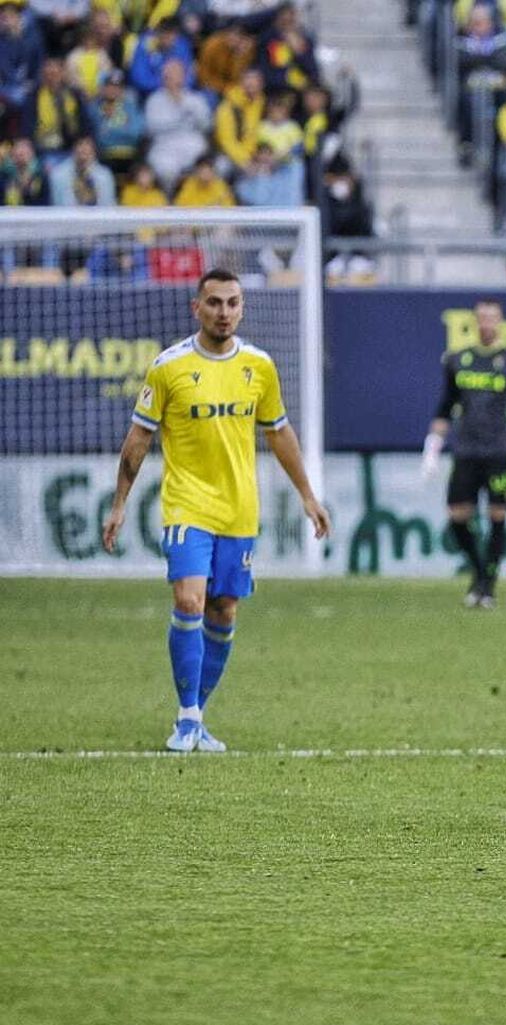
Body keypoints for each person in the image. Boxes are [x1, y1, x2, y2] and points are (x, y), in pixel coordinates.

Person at [100, 269, 332, 754]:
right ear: (196, 308)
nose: (223, 312)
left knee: (223, 609)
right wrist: (120, 503)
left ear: (241, 308)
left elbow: (280, 432)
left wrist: (308, 495)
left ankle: (197, 714)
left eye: (232, 303)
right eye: (214, 303)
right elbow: (138, 440)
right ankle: (186, 719)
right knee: (189, 600)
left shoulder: (259, 367)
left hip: (239, 510)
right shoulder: (169, 368)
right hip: (186, 505)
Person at [420, 298, 506, 609]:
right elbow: (446, 406)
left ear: (500, 322)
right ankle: (479, 572)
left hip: (501, 450)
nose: (487, 323)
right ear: (475, 322)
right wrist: (432, 448)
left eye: (493, 318)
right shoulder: (457, 360)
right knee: (457, 516)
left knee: (497, 517)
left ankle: (487, 587)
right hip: (467, 449)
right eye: (482, 318)